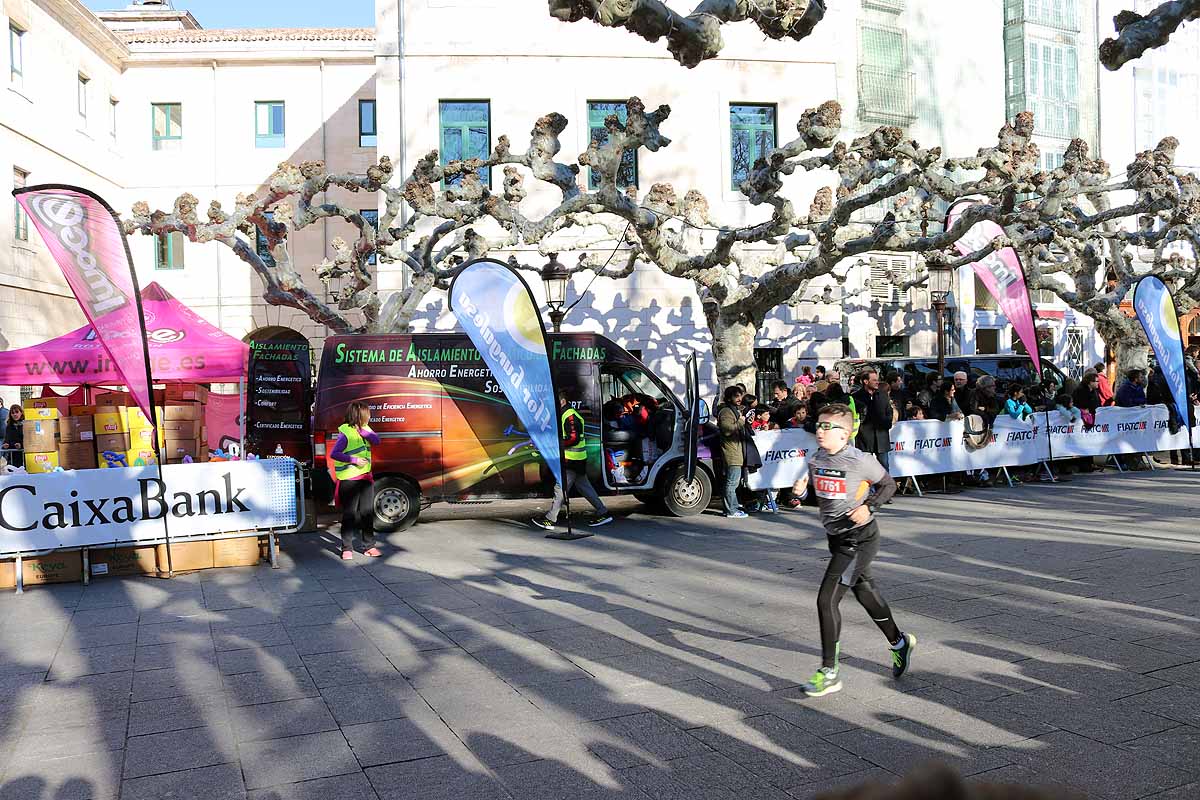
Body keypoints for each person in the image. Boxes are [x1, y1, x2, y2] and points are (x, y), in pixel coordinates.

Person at [791, 403, 915, 698]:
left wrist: (869, 506)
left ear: (845, 434)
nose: (820, 431)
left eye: (827, 427)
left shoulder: (859, 460)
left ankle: (829, 672)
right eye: (818, 425)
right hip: (836, 539)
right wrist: (800, 494)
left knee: (826, 600)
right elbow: (821, 501)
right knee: (865, 592)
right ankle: (899, 642)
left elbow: (889, 485)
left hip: (860, 539)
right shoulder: (816, 459)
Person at [533, 391, 614, 531]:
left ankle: (550, 519)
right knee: (585, 488)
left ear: (562, 401)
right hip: (575, 460)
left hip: (573, 461)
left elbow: (573, 438)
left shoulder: (570, 415)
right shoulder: (565, 414)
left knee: (560, 489)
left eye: (555, 403)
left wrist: (556, 444)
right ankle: (603, 513)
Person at [329, 401, 383, 560]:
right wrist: (354, 460)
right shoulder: (345, 432)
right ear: (360, 416)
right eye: (368, 413)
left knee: (367, 513)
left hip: (365, 478)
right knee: (349, 514)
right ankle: (346, 548)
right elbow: (335, 453)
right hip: (349, 479)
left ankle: (369, 546)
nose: (370, 416)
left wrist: (365, 432)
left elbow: (377, 441)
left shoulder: (366, 429)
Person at [851, 369, 893, 471]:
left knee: (884, 466)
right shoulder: (856, 397)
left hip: (881, 439)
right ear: (866, 381)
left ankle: (885, 486)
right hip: (864, 440)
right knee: (866, 468)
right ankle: (868, 488)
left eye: (877, 380)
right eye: (874, 380)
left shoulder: (882, 395)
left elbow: (889, 412)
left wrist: (886, 423)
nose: (877, 382)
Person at [717, 385, 748, 518]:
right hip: (732, 452)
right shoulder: (726, 412)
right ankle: (731, 510)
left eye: (740, 395)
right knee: (732, 482)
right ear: (729, 397)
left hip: (736, 451)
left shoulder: (733, 410)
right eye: (736, 396)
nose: (739, 398)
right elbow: (727, 429)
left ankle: (732, 507)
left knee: (733, 482)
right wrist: (741, 421)